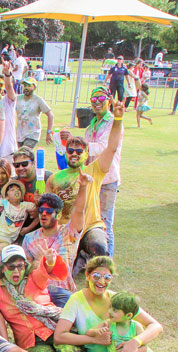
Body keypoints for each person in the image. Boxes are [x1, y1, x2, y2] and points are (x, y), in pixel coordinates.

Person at [47, 101, 124, 270]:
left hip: (91, 227)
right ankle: (79, 259)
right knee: (61, 269)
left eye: (79, 151)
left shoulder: (95, 170)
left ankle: (85, 256)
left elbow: (112, 147)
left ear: (86, 153)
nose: (74, 154)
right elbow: (48, 208)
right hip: (67, 229)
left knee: (99, 247)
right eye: (70, 151)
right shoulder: (54, 178)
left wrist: (117, 119)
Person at [22, 179, 90, 307]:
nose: (43, 214)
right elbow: (25, 270)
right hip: (40, 292)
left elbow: (79, 211)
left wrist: (83, 186)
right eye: (41, 210)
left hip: (63, 292)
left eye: (48, 212)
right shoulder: (29, 239)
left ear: (58, 215)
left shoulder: (70, 233)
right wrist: (41, 263)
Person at [16, 78, 53, 148]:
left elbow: (50, 115)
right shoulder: (18, 99)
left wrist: (49, 132)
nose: (26, 88)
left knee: (24, 153)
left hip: (32, 134)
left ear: (34, 87)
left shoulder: (38, 100)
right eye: (24, 86)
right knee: (18, 156)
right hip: (19, 134)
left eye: (29, 86)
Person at [0, 62, 17, 159]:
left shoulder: (8, 101)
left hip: (7, 151)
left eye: (0, 85)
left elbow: (9, 87)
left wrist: (7, 74)